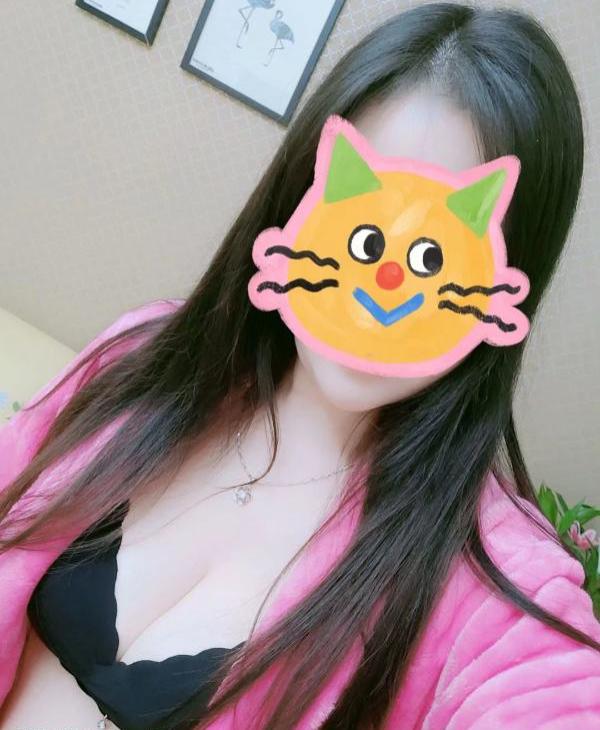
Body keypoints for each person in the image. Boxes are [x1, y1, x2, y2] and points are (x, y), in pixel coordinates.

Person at [1, 3, 600, 729]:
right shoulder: (143, 357)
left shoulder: (491, 590)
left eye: (435, 256)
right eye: (363, 231)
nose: (385, 288)